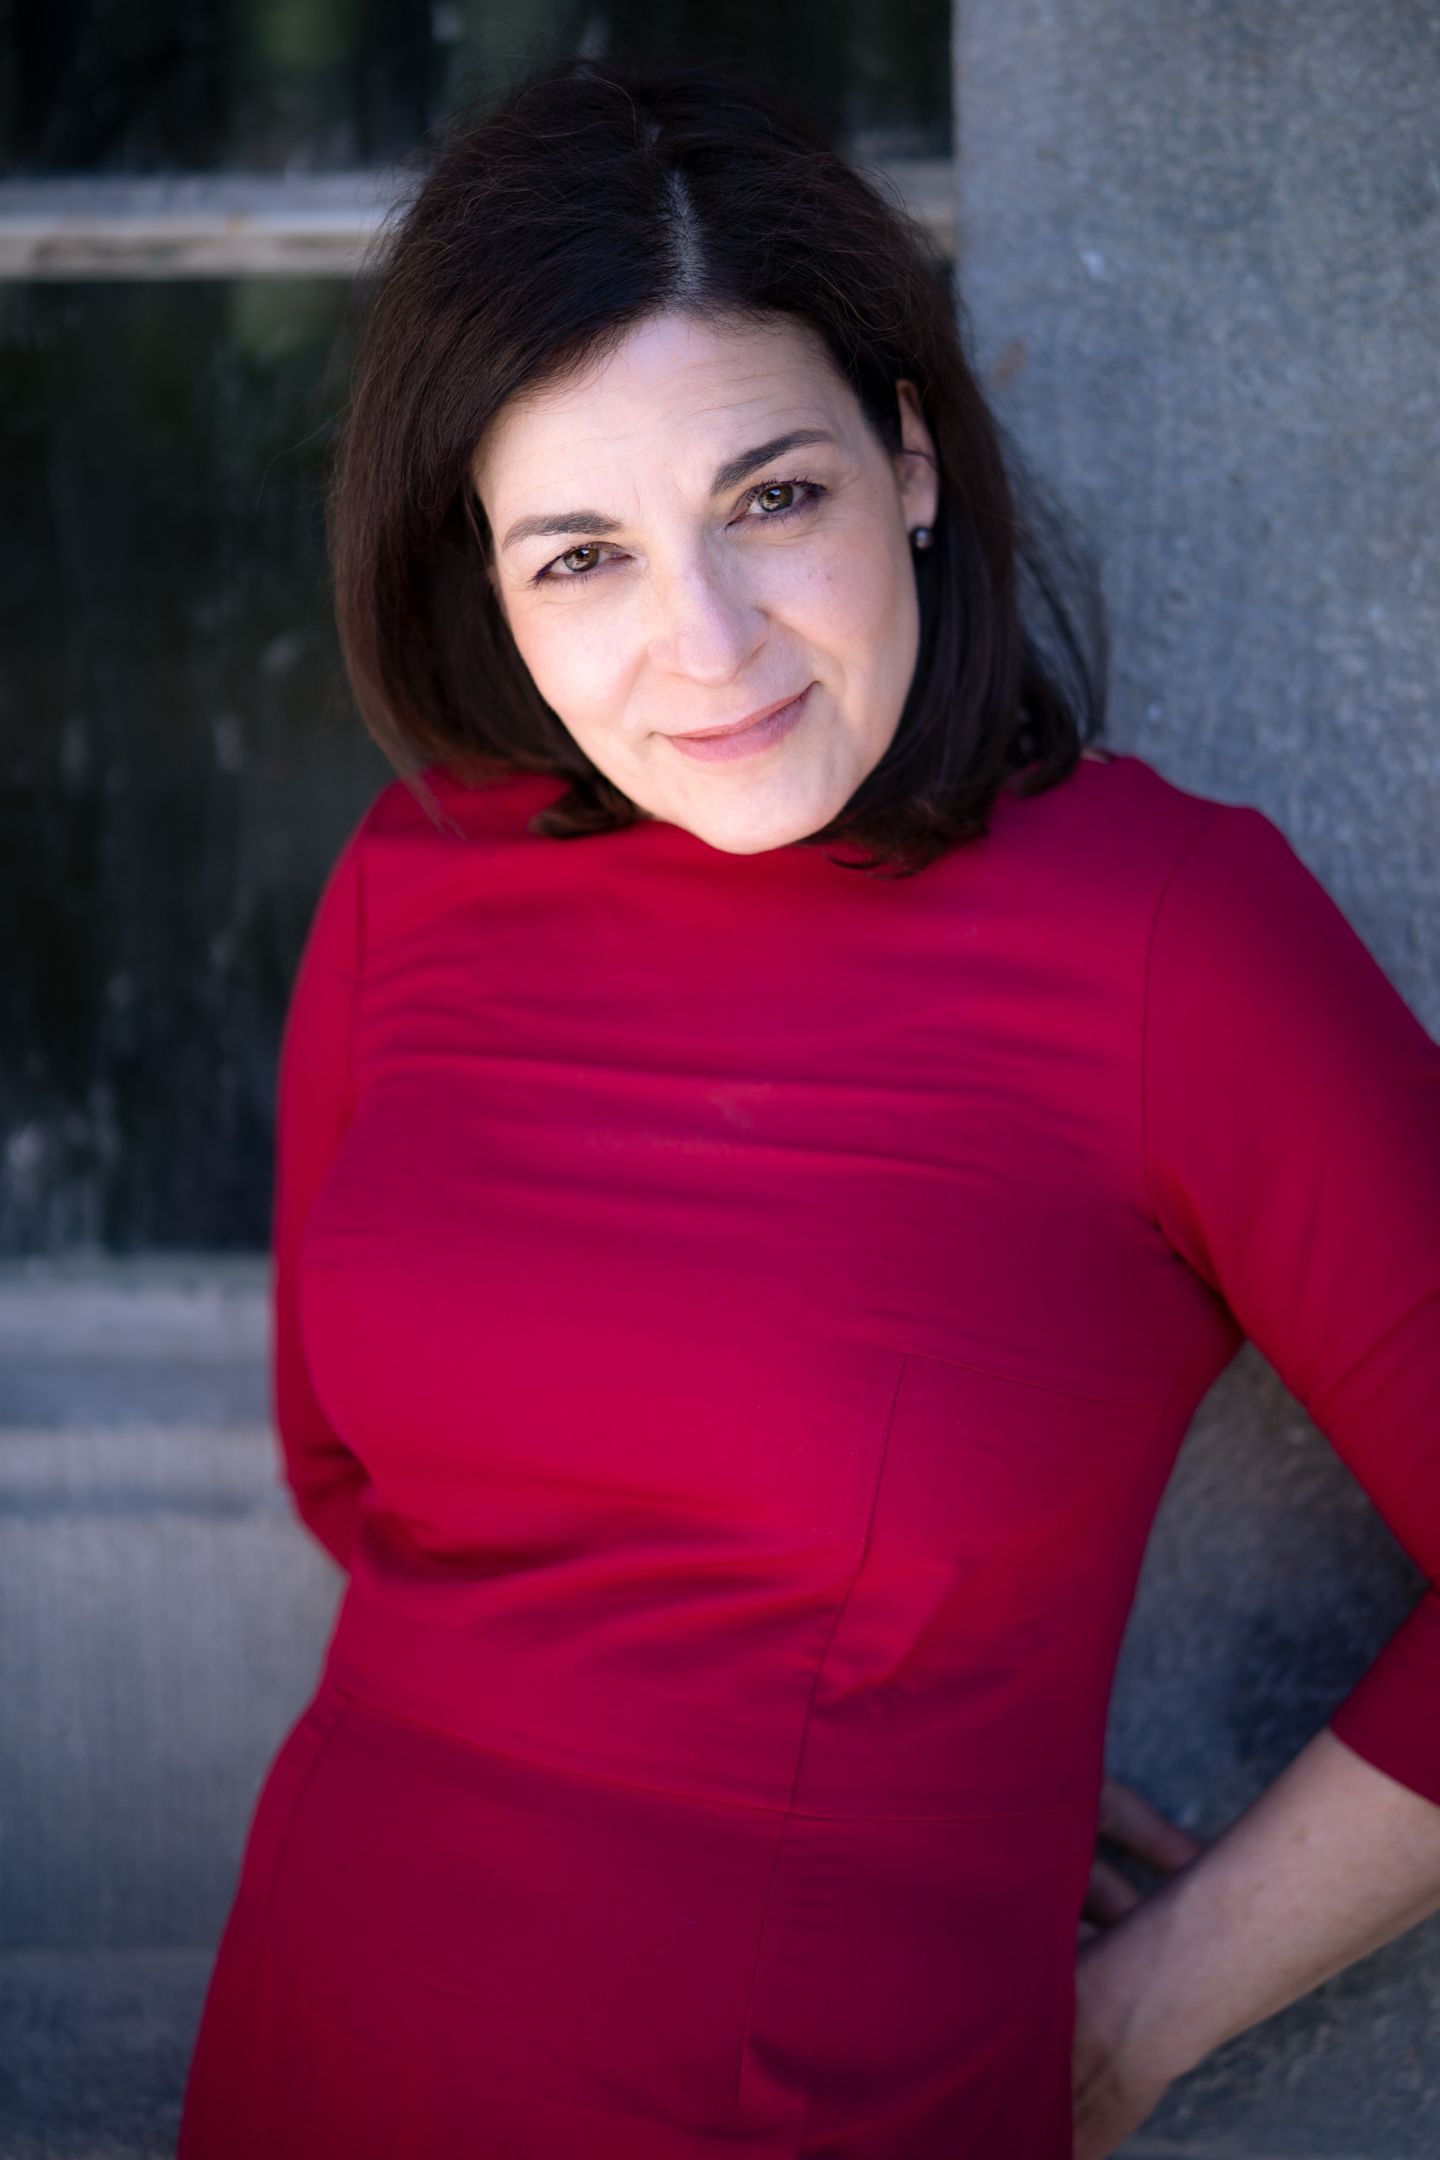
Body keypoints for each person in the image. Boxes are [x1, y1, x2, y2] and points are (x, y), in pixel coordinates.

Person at [175, 52, 1440, 2160]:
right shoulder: (413, 884)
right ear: (486, 581)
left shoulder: (1174, 937)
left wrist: (1144, 2005)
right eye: (581, 556)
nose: (707, 645)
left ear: (908, 457)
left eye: (772, 499)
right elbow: (355, 1482)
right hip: (318, 2051)